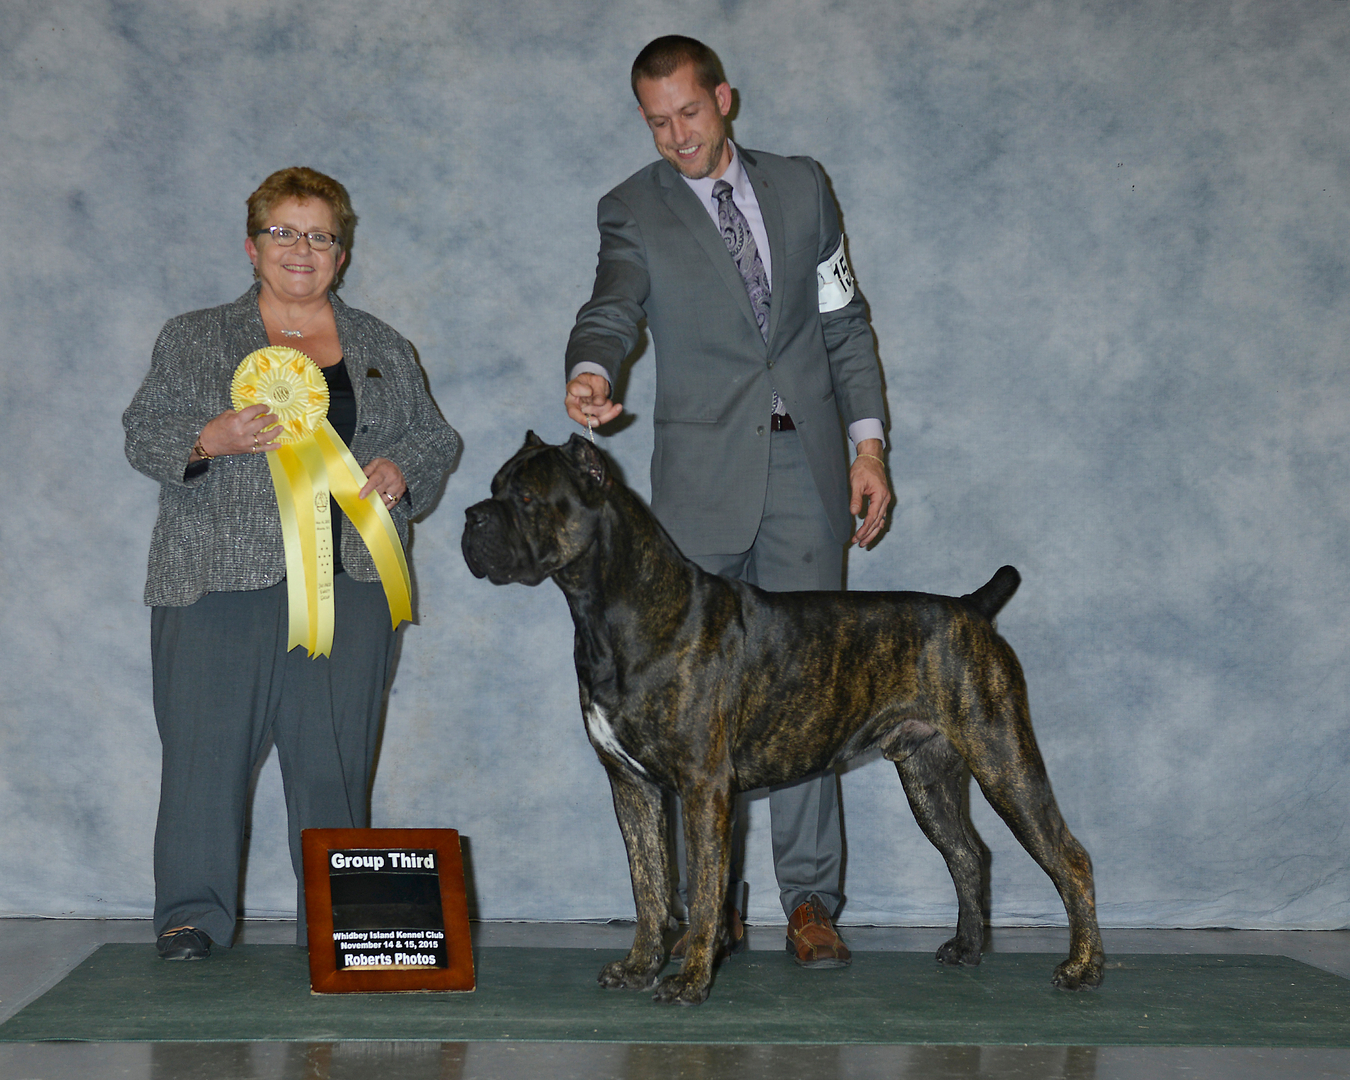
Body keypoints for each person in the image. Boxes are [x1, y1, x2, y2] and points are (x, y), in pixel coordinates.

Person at [565, 36, 891, 967]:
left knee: (810, 694)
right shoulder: (631, 208)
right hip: (699, 492)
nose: (677, 137)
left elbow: (844, 320)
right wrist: (591, 369)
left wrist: (868, 445)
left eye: (690, 114)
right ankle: (708, 909)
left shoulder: (802, 187)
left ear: (725, 99)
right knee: (688, 715)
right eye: (657, 122)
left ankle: (810, 901)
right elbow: (612, 305)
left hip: (810, 478)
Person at [124, 166, 460, 960]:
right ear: (251, 246)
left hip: (353, 583)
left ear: (341, 254)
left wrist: (402, 469)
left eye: (320, 236)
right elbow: (143, 433)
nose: (300, 250)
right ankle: (191, 919)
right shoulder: (192, 337)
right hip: (216, 583)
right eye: (284, 233)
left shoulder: (382, 345)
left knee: (334, 764)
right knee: (203, 760)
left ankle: (344, 924)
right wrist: (211, 438)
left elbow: (436, 438)